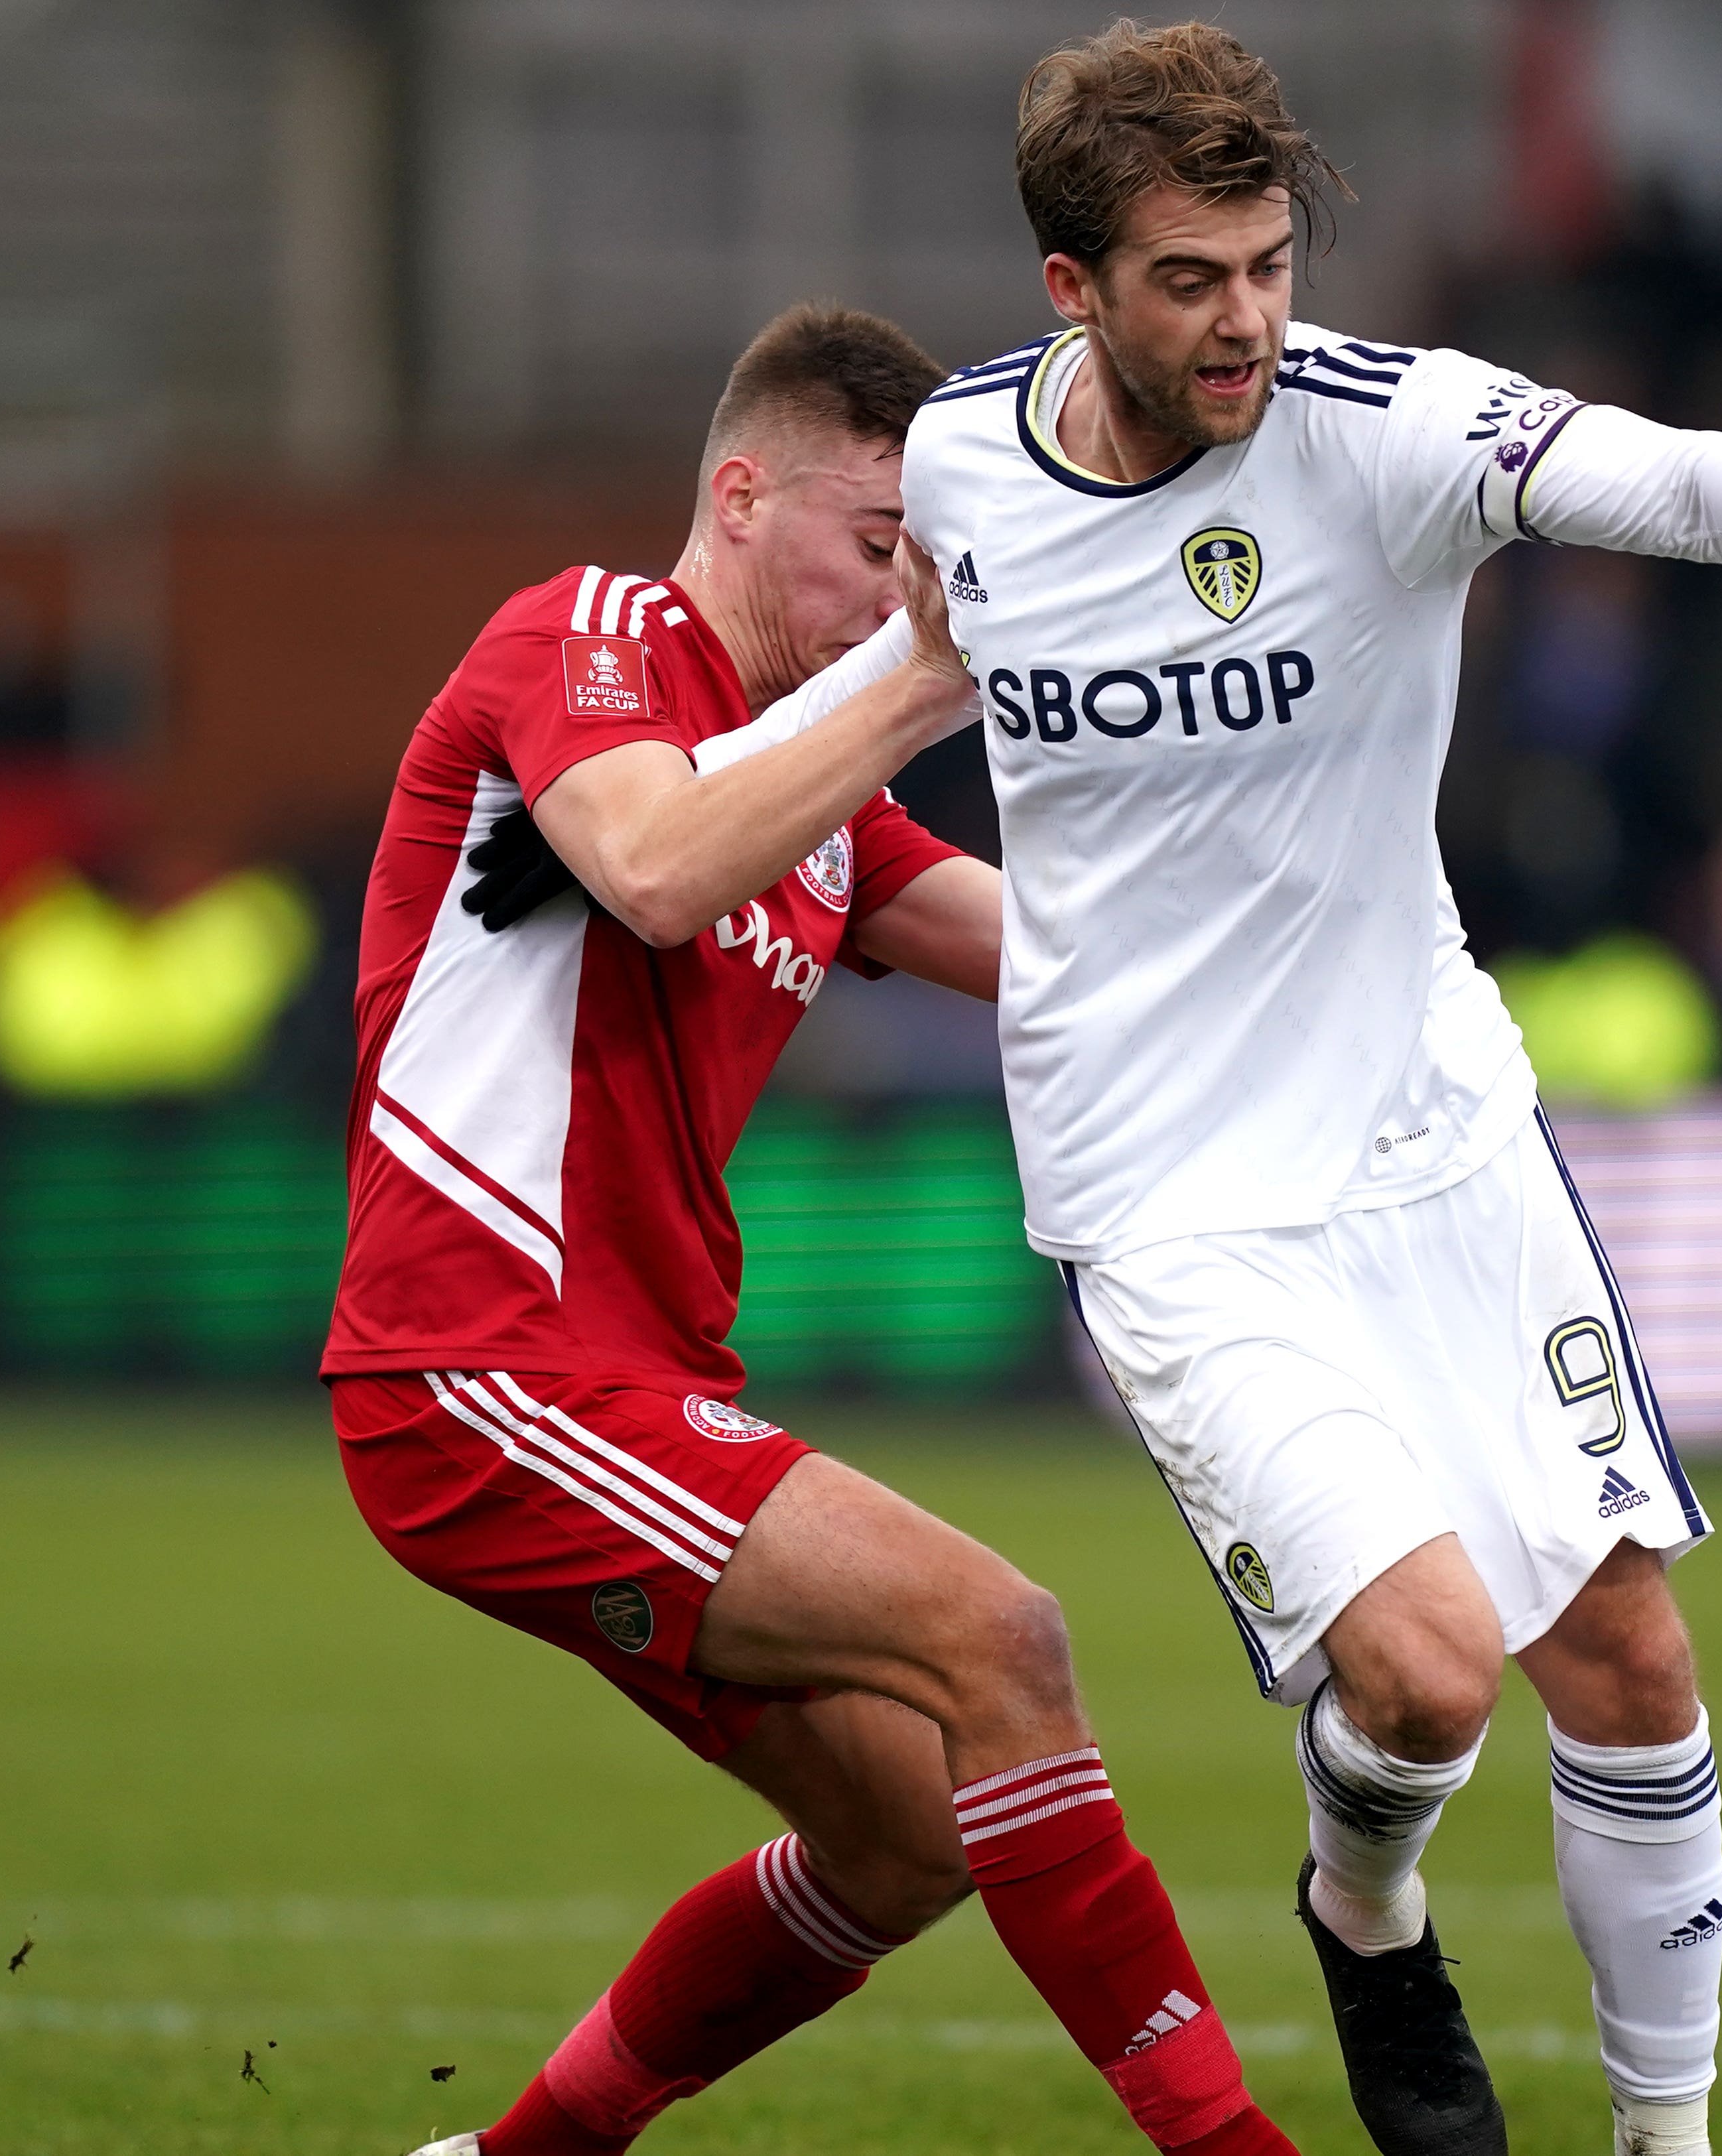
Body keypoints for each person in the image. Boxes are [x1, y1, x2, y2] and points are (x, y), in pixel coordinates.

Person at [655, 24, 1722, 2156]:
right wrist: (631, 822)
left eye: (1269, 264)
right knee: (1430, 1672)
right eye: (1190, 278)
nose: (1247, 320)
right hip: (1176, 1209)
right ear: (1070, 290)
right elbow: (851, 688)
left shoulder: (1380, 424)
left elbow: (1624, 466)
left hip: (1435, 1139)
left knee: (1633, 1664)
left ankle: (1669, 2141)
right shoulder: (973, 469)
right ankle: (1363, 1901)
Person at [322, 300, 1303, 2156]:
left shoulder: (818, 797)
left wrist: (1317, 915)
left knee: (910, 1829)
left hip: (615, 1387)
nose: (898, 594)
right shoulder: (593, 634)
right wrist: (923, 681)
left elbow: (1077, 968)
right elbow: (659, 859)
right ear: (743, 492)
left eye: (926, 564)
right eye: (877, 547)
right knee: (1001, 1634)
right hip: (488, 1361)